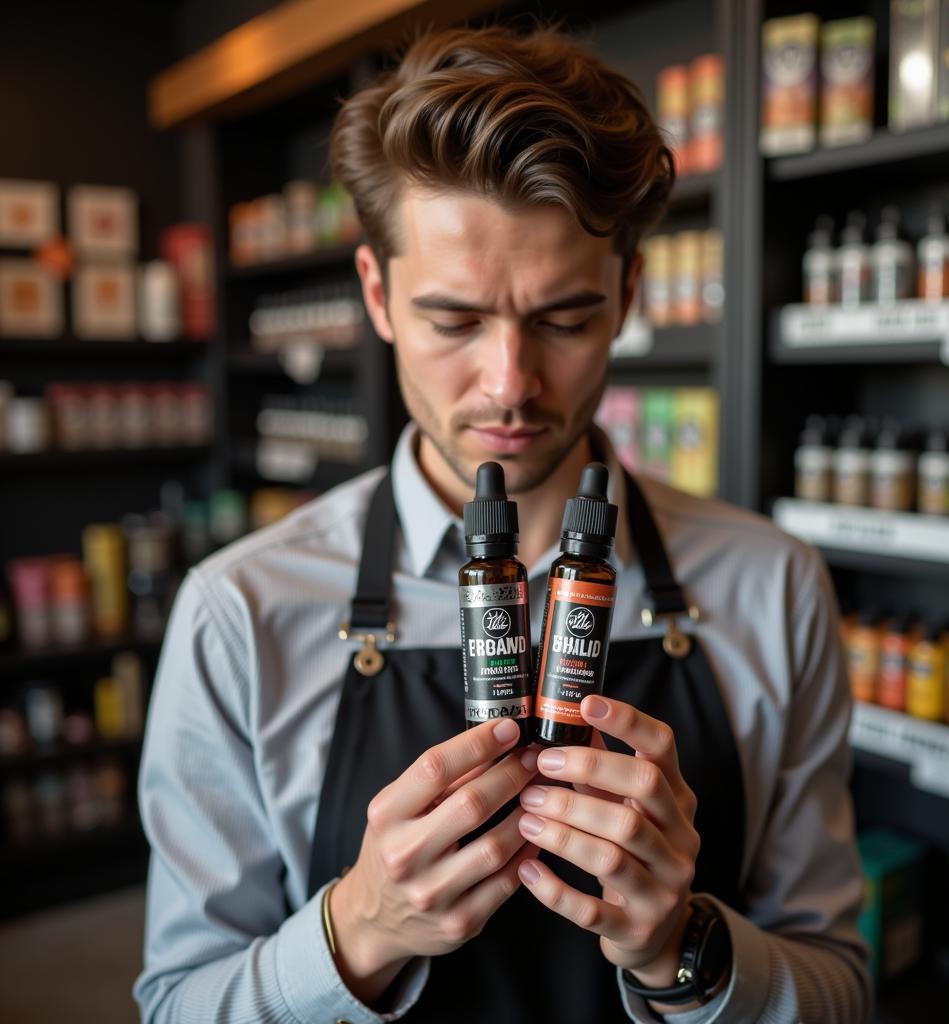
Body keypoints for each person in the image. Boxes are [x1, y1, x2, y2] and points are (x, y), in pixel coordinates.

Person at [134, 25, 870, 1024]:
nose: (510, 385)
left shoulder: (770, 587)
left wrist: (683, 947)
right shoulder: (238, 612)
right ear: (376, 294)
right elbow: (177, 1005)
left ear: (627, 297)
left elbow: (841, 988)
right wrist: (358, 931)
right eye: (454, 320)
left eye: (563, 319)